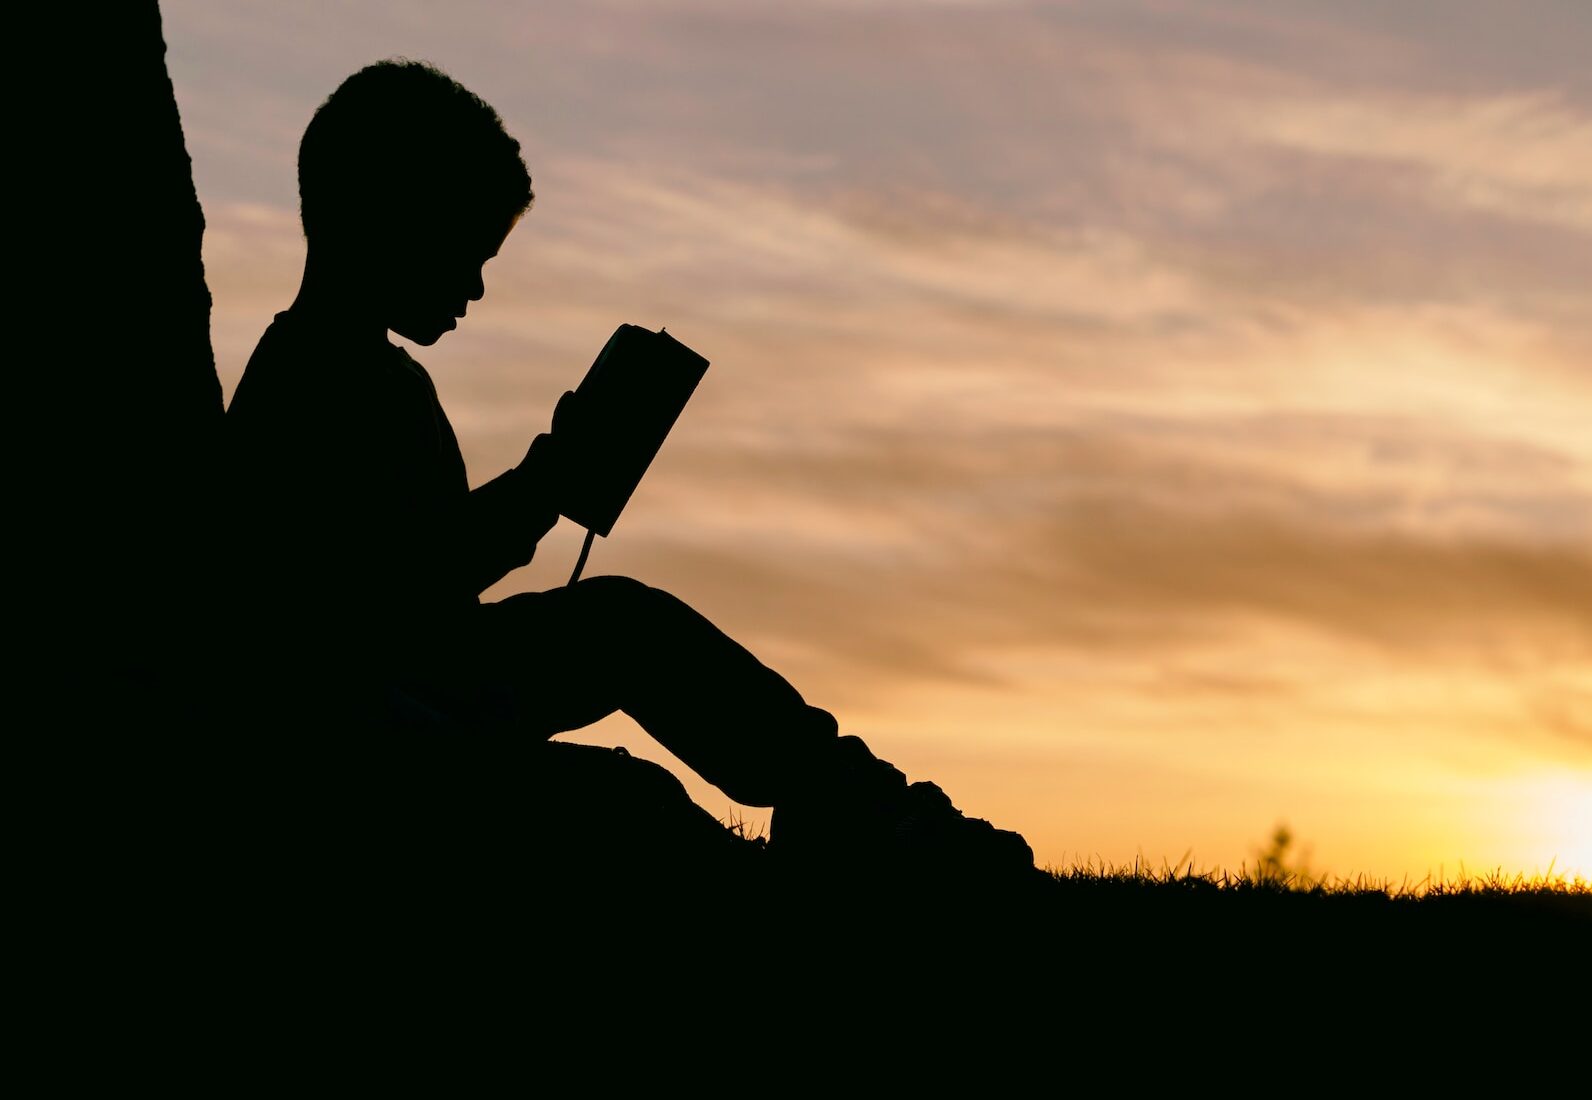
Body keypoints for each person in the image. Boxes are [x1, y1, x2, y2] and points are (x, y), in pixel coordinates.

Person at [224, 59, 1032, 875]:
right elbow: (382, 597)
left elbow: (428, 576)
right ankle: (865, 828)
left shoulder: (381, 376)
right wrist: (547, 483)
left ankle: (860, 804)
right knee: (630, 795)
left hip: (423, 686)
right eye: (463, 250)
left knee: (623, 623)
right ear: (389, 218)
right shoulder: (307, 378)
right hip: (369, 730)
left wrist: (549, 479)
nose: (472, 288)